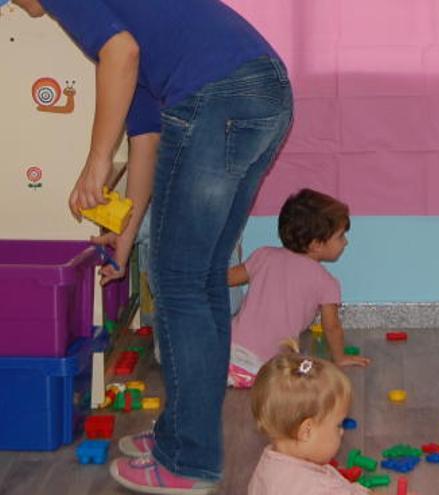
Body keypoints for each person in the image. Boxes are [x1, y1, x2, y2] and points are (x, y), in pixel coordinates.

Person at [13, 0, 294, 492]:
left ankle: (188, 461)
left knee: (181, 283)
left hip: (220, 97)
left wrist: (97, 161)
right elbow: (146, 138)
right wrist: (124, 240)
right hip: (264, 93)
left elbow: (119, 55)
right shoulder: (133, 20)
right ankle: (183, 438)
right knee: (199, 278)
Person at [227, 188, 370, 388]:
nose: (345, 242)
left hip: (229, 347)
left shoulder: (264, 255)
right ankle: (245, 376)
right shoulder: (326, 282)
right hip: (268, 364)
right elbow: (332, 327)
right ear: (316, 244)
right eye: (340, 236)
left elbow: (229, 278)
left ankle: (228, 372)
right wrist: (340, 357)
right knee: (304, 372)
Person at [248, 348, 369, 495]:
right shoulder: (320, 488)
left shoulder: (270, 463)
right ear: (307, 431)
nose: (342, 432)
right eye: (338, 425)